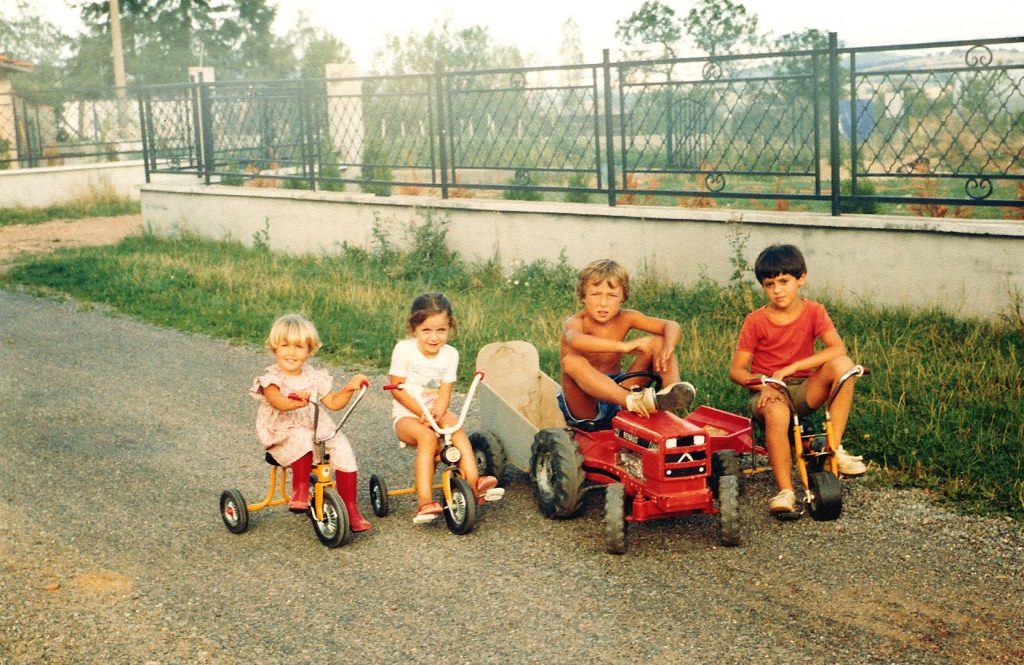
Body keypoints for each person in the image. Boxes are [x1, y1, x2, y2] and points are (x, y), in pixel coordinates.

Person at [728, 244, 867, 515]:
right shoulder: (755, 321)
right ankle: (785, 491)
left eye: (784, 281)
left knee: (845, 366)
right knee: (778, 412)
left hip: (803, 388)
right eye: (770, 284)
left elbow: (837, 349)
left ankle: (832, 450)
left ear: (801, 278)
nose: (777, 290)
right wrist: (764, 383)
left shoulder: (814, 311)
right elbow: (737, 370)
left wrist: (794, 366)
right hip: (767, 392)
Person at [388, 292, 504, 524]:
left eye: (441, 330)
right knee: (428, 439)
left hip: (434, 412)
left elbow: (445, 390)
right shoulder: (404, 350)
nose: (434, 337)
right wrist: (421, 412)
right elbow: (395, 387)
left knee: (456, 427)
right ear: (414, 329)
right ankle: (425, 502)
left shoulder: (451, 354)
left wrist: (439, 411)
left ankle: (475, 482)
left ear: (450, 327)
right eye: (426, 331)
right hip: (408, 415)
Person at [250, 314, 372, 531]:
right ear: (274, 347)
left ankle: (350, 509)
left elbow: (334, 403)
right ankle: (300, 489)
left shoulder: (314, 377)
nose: (291, 352)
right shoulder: (272, 379)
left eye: (299, 347)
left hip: (315, 426)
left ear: (309, 350)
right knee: (302, 437)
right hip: (283, 430)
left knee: (342, 448)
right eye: (285, 345)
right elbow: (278, 402)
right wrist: (295, 401)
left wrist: (349, 388)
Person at [559, 258, 696, 428]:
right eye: (595, 294)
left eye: (612, 295)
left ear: (623, 297)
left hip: (618, 390)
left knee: (659, 342)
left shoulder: (627, 317)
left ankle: (670, 395)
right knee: (571, 361)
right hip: (586, 403)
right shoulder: (577, 321)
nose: (603, 303)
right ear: (583, 296)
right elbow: (575, 340)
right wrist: (624, 346)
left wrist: (668, 345)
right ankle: (636, 402)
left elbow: (670, 325)